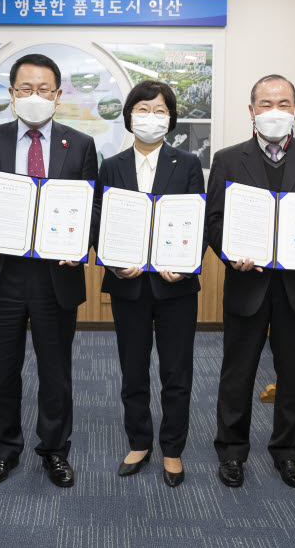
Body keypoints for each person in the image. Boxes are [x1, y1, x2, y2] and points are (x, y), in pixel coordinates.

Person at [0, 53, 98, 488]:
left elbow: (91, 208)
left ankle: (55, 451)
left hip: (56, 276)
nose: (34, 97)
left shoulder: (79, 145)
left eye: (43, 90)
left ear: (57, 95)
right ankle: (3, 450)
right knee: (3, 369)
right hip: (4, 274)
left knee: (55, 371)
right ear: (11, 94)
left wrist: (82, 243)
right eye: (25, 90)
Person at [206, 74, 295, 490]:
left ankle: (287, 453)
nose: (275, 111)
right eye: (266, 104)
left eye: (284, 103)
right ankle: (231, 452)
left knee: (291, 376)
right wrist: (232, 253)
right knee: (237, 374)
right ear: (251, 112)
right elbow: (215, 222)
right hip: (247, 287)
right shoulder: (229, 159)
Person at [95, 81, 203, 487]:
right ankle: (139, 441)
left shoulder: (187, 163)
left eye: (160, 110)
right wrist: (116, 264)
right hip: (129, 287)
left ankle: (172, 448)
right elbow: (102, 223)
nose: (151, 117)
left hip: (175, 288)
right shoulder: (112, 165)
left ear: (171, 119)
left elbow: (197, 218)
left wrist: (186, 264)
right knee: (133, 370)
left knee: (177, 373)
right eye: (143, 109)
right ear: (129, 116)